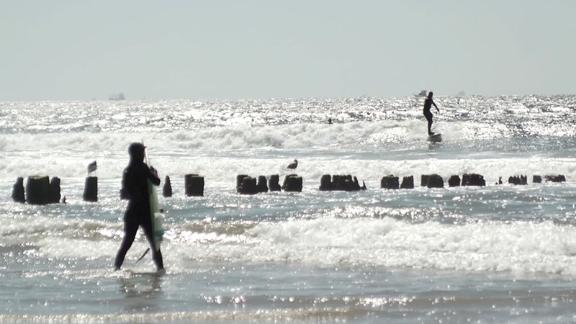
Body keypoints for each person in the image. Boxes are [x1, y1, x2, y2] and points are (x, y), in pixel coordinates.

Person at [114, 143, 165, 272]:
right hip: (144, 211)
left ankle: (116, 267)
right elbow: (157, 181)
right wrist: (154, 172)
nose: (143, 155)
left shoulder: (127, 170)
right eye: (142, 152)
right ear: (137, 154)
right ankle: (160, 270)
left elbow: (125, 193)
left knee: (127, 243)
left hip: (132, 211)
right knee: (154, 244)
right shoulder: (143, 168)